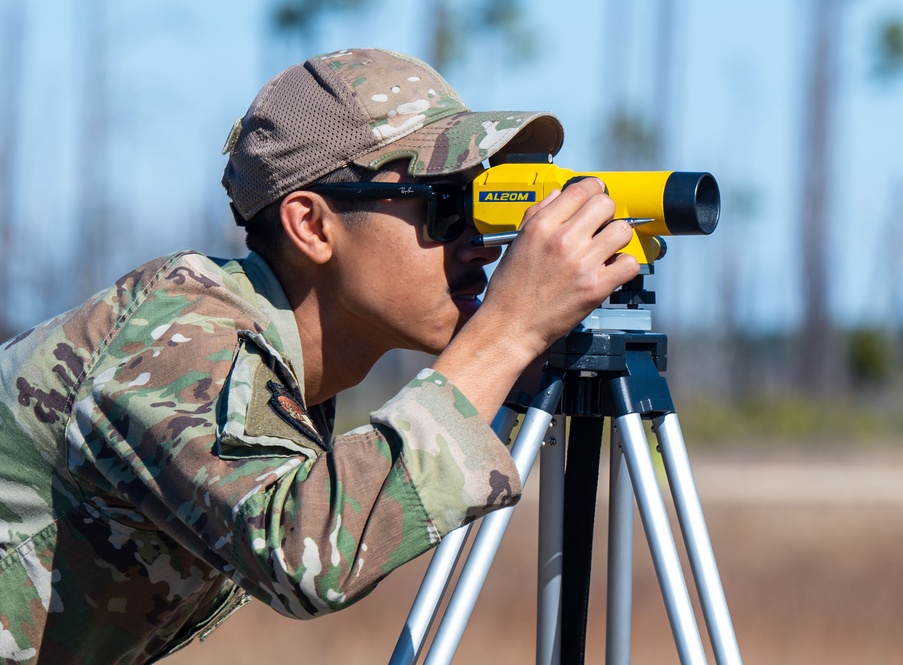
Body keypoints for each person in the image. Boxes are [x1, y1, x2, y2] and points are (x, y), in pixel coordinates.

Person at [0, 48, 639, 663]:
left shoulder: (276, 361)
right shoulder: (178, 335)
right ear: (310, 225)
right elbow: (304, 552)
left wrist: (504, 358)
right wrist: (504, 336)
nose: (481, 243)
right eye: (448, 205)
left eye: (487, 204)